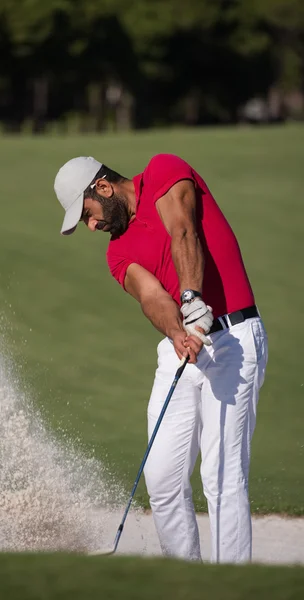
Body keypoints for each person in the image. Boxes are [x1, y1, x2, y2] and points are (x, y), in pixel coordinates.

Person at [53, 154, 268, 563]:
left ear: (102, 187)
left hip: (233, 341)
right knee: (163, 475)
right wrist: (177, 331)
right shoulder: (116, 254)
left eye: (87, 216)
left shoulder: (163, 172)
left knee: (221, 473)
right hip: (183, 349)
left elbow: (183, 230)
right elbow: (151, 296)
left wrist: (192, 300)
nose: (92, 226)